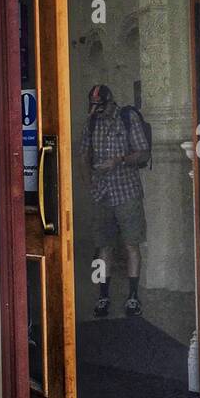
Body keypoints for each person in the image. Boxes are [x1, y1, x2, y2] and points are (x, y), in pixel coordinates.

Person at [79, 83, 150, 317]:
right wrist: (88, 183)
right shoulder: (91, 123)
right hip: (101, 193)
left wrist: (119, 160)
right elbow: (82, 155)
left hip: (126, 190)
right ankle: (102, 295)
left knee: (131, 244)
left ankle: (132, 296)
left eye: (101, 106)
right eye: (94, 107)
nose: (97, 111)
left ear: (110, 102)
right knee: (102, 247)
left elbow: (143, 152)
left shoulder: (127, 118)